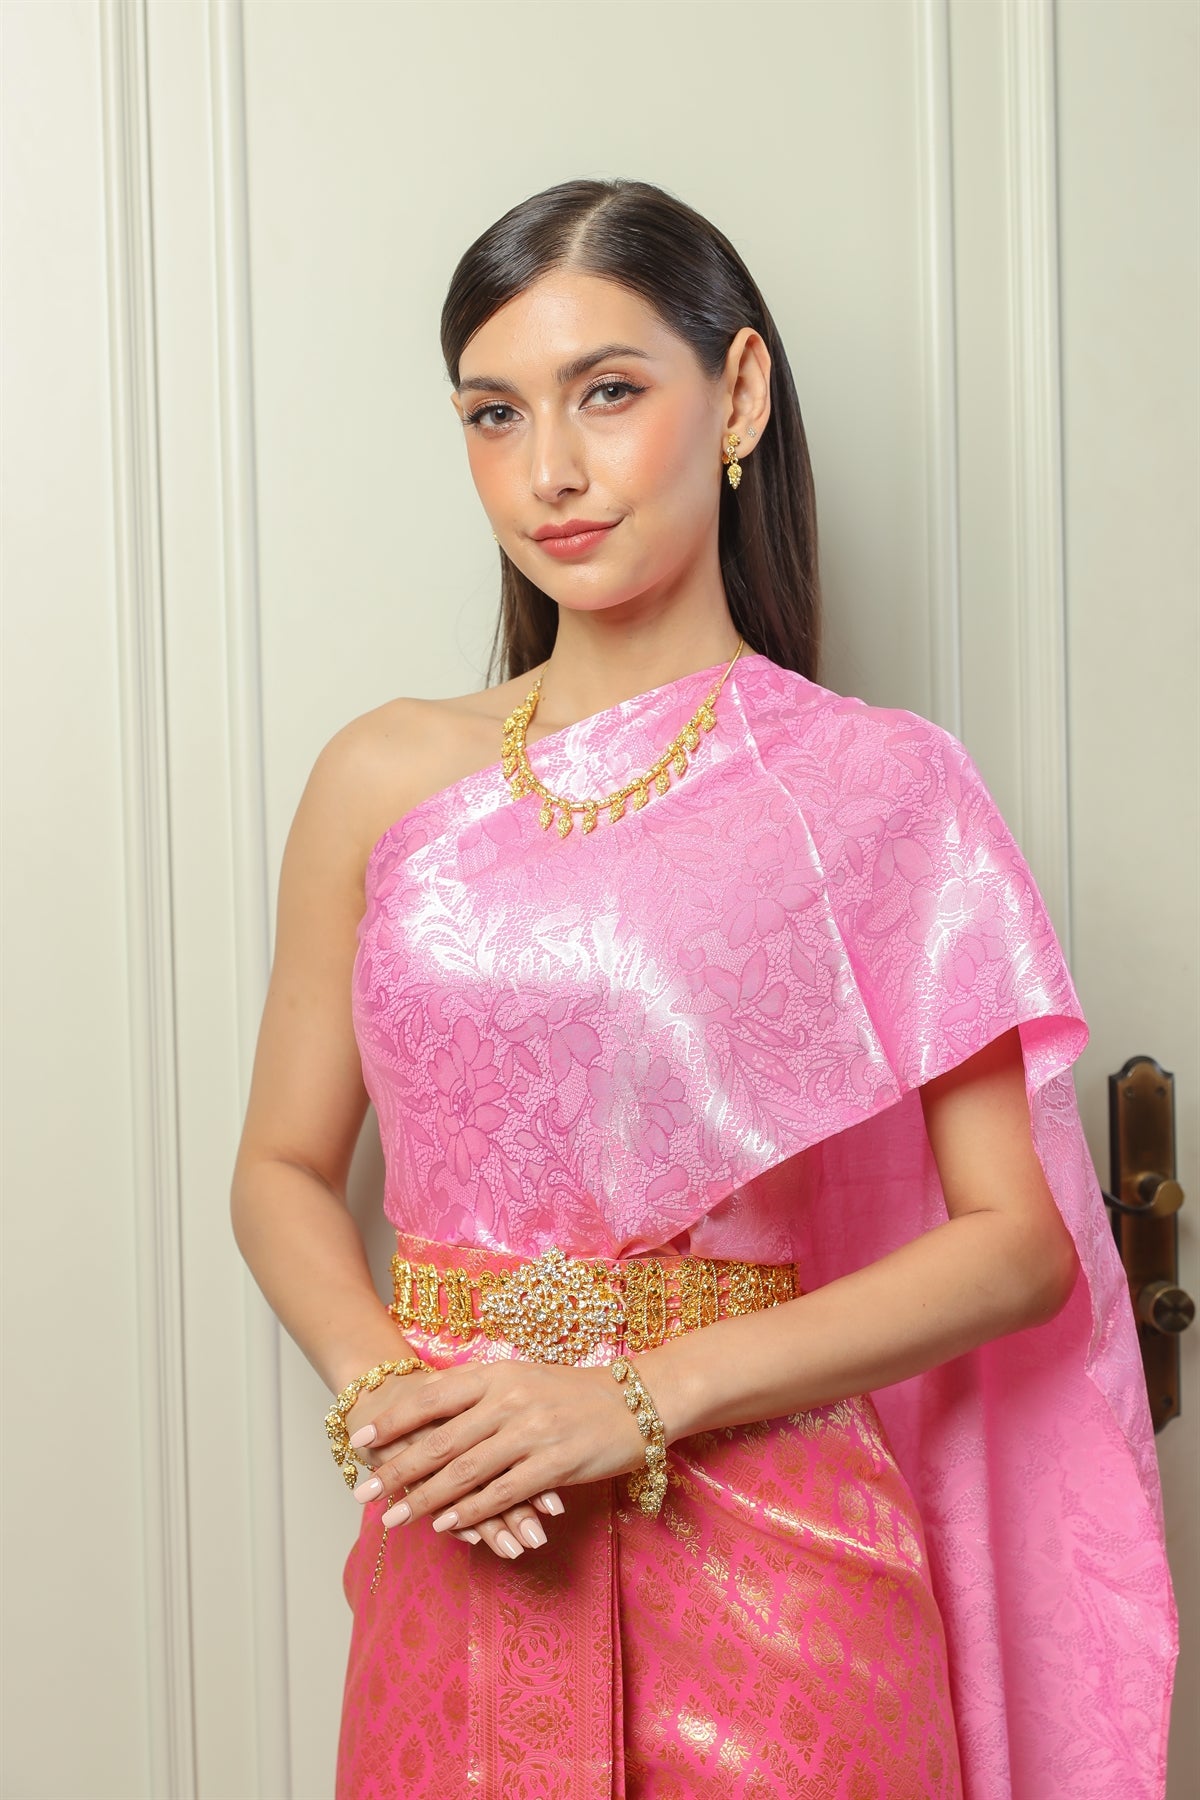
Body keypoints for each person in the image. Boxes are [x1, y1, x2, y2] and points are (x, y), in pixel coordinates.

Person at [230, 177, 1177, 1799]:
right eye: (493, 412)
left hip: (782, 1555)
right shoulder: (382, 776)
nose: (551, 471)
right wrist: (391, 1402)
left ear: (735, 394)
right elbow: (281, 1170)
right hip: (463, 1523)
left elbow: (1017, 1249)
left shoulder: (884, 791)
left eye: (610, 392)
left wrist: (633, 1399)